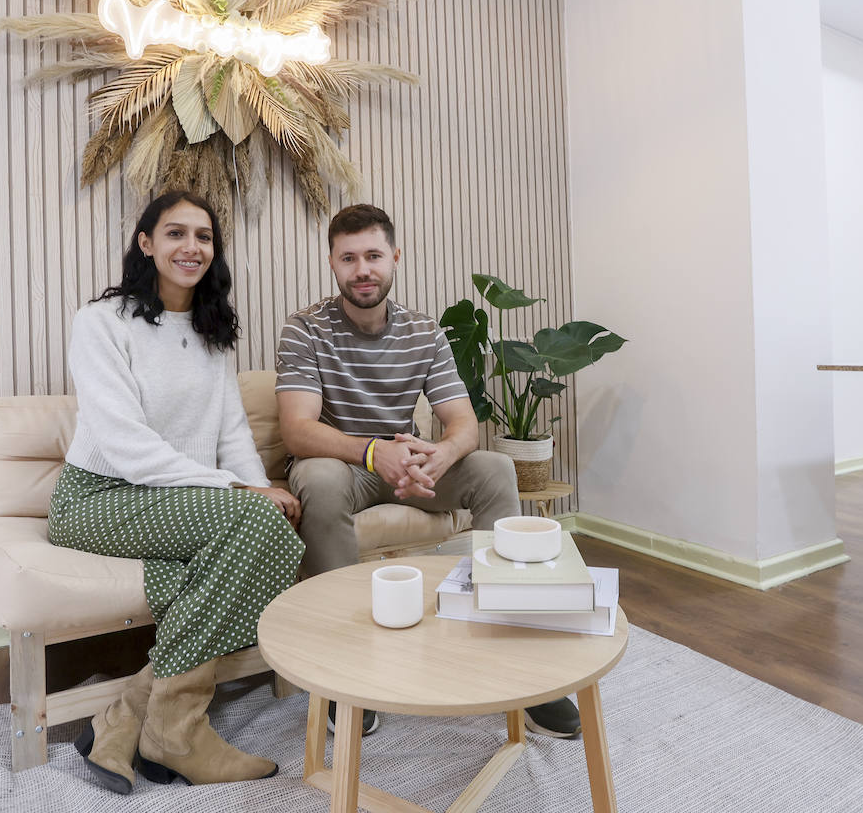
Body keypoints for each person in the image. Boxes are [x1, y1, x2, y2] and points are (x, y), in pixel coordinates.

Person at [275, 203, 583, 739]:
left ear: (395, 257)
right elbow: (298, 431)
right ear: (332, 262)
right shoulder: (304, 328)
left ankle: (515, 646)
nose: (362, 269)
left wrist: (439, 455)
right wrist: (375, 453)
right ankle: (346, 667)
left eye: (373, 255)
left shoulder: (423, 330)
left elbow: (462, 423)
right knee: (320, 479)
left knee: (491, 469)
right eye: (349, 258)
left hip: (407, 463)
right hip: (342, 465)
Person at [48, 189, 305, 794]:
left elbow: (232, 429)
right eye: (176, 234)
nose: (192, 247)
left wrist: (255, 482)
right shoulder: (101, 323)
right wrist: (239, 492)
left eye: (204, 237)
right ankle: (173, 732)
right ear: (146, 243)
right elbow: (121, 442)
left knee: (262, 539)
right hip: (98, 498)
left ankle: (132, 719)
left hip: (175, 504)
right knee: (259, 528)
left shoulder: (213, 332)